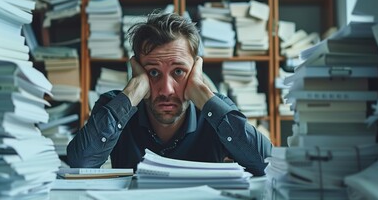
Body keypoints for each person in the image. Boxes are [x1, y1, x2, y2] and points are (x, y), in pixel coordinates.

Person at [67, 11, 272, 176]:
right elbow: (80, 163)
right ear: (137, 70)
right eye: (153, 72)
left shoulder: (215, 111)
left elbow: (267, 163)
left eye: (179, 72)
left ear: (194, 71)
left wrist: (203, 94)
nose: (166, 90)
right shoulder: (115, 106)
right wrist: (133, 90)